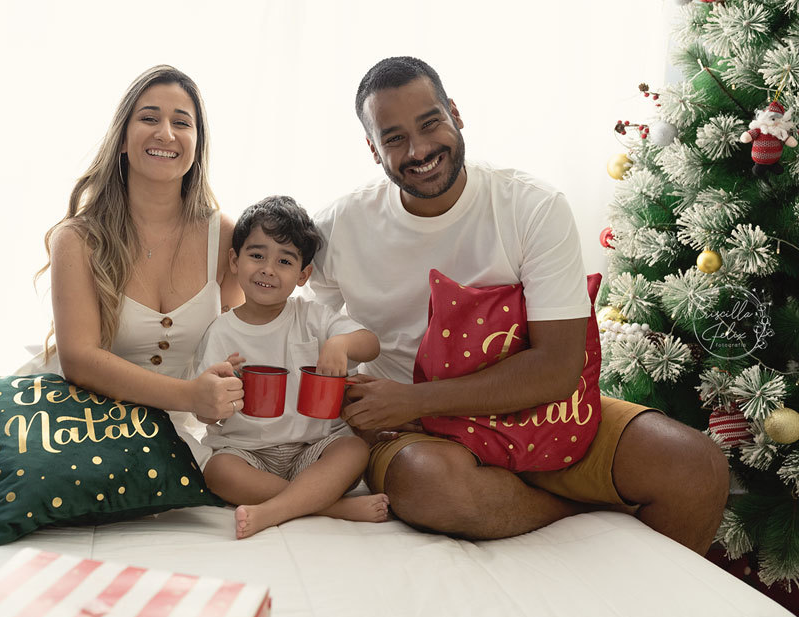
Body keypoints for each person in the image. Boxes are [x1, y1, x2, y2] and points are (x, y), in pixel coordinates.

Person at [307, 55, 730, 554]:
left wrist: (417, 399)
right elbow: (316, 321)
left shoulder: (531, 206)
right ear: (374, 150)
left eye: (430, 123)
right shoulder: (338, 227)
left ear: (456, 114)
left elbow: (557, 368)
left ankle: (546, 507)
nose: (419, 149)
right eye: (394, 137)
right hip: (419, 433)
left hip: (541, 411)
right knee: (429, 485)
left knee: (696, 466)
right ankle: (597, 515)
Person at [37, 64, 246, 456]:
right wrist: (190, 395)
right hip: (76, 418)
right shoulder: (78, 238)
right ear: (122, 139)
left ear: (197, 143)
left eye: (181, 122)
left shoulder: (226, 236)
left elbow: (240, 339)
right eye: (149, 118)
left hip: (175, 429)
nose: (165, 133)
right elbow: (79, 361)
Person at [195, 195, 388, 538]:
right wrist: (217, 389)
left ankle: (276, 508)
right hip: (247, 451)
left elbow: (370, 344)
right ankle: (331, 507)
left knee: (354, 449)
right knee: (217, 471)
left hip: (311, 447)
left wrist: (339, 344)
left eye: (284, 261)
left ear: (303, 275)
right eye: (257, 256)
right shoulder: (221, 331)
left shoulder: (312, 317)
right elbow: (206, 416)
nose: (268, 269)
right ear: (234, 261)